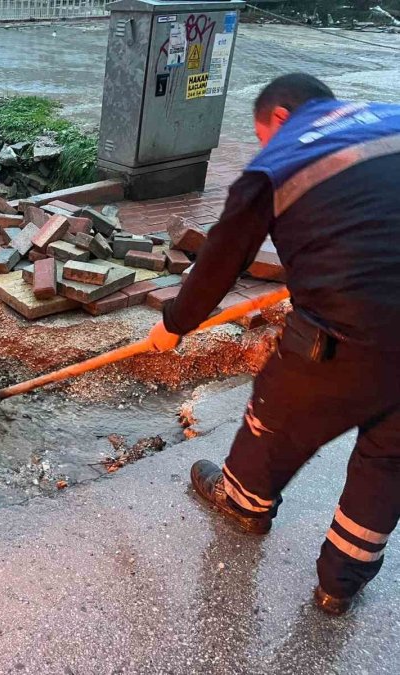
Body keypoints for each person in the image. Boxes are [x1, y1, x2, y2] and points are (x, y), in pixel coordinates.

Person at [147, 73, 400, 615]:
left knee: (280, 412)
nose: (265, 144)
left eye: (262, 133)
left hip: (347, 334)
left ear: (280, 118)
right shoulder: (389, 119)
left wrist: (174, 323)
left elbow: (222, 258)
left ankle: (244, 500)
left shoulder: (280, 158)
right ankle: (342, 581)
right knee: (390, 458)